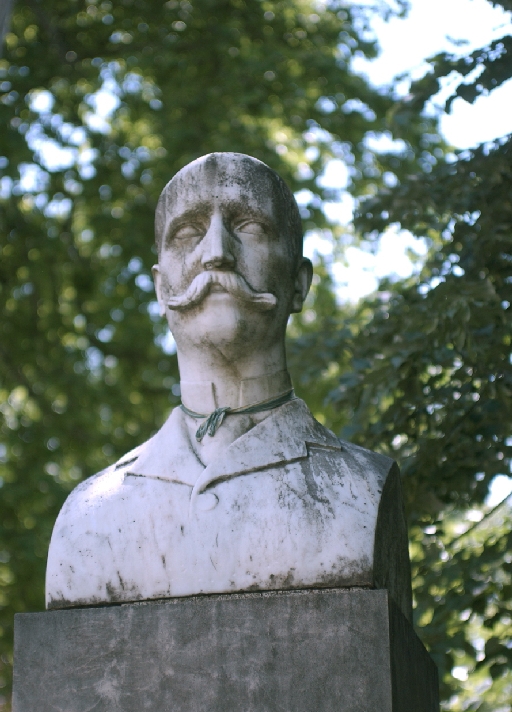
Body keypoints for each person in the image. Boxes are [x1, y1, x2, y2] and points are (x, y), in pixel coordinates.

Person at [46, 152, 412, 619]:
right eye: (188, 233)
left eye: (250, 227)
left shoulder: (362, 491)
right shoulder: (86, 517)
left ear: (299, 284)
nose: (215, 251)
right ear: (161, 290)